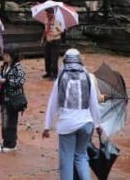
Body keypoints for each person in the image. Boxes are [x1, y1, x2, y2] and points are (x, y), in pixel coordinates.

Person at [43, 49, 102, 180]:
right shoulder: (88, 77)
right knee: (81, 156)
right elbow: (94, 104)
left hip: (67, 124)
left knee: (66, 161)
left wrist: (47, 126)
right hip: (86, 123)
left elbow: (53, 103)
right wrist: (98, 125)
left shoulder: (60, 78)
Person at [0, 44, 26, 152]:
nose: (4, 56)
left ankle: (12, 144)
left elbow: (21, 81)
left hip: (13, 99)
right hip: (4, 97)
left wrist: (7, 81)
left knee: (11, 121)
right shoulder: (4, 65)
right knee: (4, 120)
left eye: (6, 54)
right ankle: (6, 141)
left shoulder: (17, 67)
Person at [42, 8, 64, 80]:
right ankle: (48, 72)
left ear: (52, 14)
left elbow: (61, 30)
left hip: (55, 41)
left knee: (54, 58)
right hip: (48, 40)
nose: (47, 15)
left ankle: (54, 74)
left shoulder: (57, 21)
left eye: (49, 13)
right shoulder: (46, 20)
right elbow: (45, 30)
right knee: (47, 57)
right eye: (46, 13)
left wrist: (55, 34)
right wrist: (42, 38)